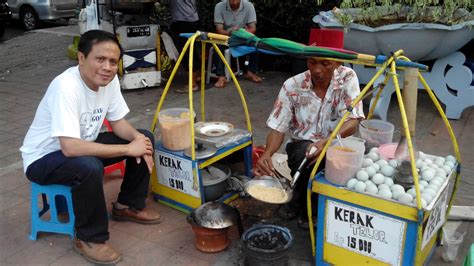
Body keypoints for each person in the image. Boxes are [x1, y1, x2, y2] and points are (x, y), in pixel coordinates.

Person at [20, 30, 162, 265]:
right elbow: (70, 149)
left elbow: (117, 122)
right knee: (88, 166)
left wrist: (137, 140)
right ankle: (88, 238)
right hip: (43, 158)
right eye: (100, 59)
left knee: (144, 136)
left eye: (113, 62)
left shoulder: (110, 80)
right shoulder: (66, 87)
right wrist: (128, 150)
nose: (107, 67)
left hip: (79, 146)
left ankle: (127, 205)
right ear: (81, 58)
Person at [254, 31, 365, 229]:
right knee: (307, 154)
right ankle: (302, 202)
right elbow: (278, 127)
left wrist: (327, 141)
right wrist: (268, 153)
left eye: (325, 63)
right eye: (312, 62)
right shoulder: (292, 86)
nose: (317, 70)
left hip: (337, 144)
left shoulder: (348, 78)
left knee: (326, 158)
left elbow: (354, 120)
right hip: (301, 147)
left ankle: (305, 205)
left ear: (338, 63)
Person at [213, 0, 262, 88]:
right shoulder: (219, 6)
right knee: (218, 45)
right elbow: (219, 30)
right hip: (227, 36)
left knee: (256, 42)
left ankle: (251, 72)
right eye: (232, 0)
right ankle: (221, 76)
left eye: (237, 0)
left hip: (242, 35)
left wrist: (241, 32)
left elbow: (253, 28)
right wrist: (230, 32)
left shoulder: (249, 5)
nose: (235, 2)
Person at [162, 0, 201, 93]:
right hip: (193, 19)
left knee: (186, 52)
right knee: (192, 50)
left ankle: (192, 84)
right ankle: (197, 77)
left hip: (183, 20)